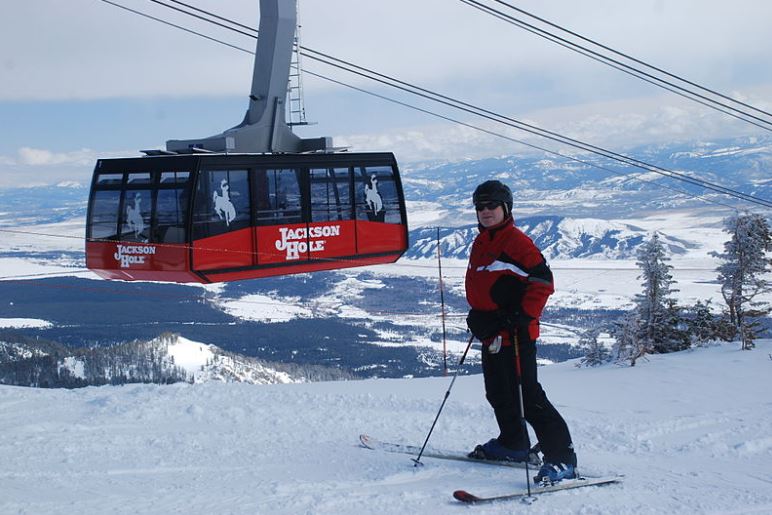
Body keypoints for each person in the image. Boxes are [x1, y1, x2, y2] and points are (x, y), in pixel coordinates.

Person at [465, 179, 577, 485]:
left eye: (491, 206)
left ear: (505, 208)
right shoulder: (483, 240)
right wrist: (478, 315)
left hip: (516, 334)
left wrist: (520, 315)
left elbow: (543, 280)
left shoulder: (515, 241)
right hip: (492, 332)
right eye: (480, 207)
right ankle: (514, 444)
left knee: (527, 395)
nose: (485, 212)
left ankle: (563, 460)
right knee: (498, 391)